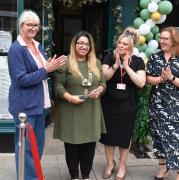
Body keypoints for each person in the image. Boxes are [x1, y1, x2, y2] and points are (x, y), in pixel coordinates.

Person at [8, 10, 66, 180]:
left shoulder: (37, 45)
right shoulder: (16, 49)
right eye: (29, 25)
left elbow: (43, 69)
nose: (33, 28)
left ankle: (33, 175)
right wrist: (46, 70)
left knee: (37, 145)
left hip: (40, 104)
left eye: (36, 25)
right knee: (25, 148)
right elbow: (21, 79)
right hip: (24, 107)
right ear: (21, 26)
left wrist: (51, 66)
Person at [53, 31, 106, 180]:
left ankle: (86, 175)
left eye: (87, 44)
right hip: (71, 110)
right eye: (80, 43)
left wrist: (100, 90)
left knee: (89, 146)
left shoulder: (96, 63)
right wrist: (70, 97)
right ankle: (74, 176)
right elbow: (57, 86)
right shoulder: (65, 62)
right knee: (72, 146)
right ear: (74, 45)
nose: (84, 46)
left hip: (91, 110)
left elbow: (103, 83)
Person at [100, 27, 146, 180]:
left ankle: (122, 166)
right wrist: (115, 65)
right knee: (108, 136)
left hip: (128, 105)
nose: (120, 45)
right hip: (109, 104)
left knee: (124, 137)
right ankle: (109, 163)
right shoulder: (109, 57)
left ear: (131, 47)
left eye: (124, 44)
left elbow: (141, 82)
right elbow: (104, 77)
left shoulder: (138, 61)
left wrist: (126, 66)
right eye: (119, 42)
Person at [146, 26, 179, 180]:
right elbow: (148, 79)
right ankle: (163, 168)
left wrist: (172, 78)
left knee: (176, 138)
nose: (162, 41)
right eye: (161, 38)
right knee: (158, 136)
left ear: (174, 40)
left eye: (165, 38)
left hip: (176, 107)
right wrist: (160, 78)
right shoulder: (154, 58)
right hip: (157, 105)